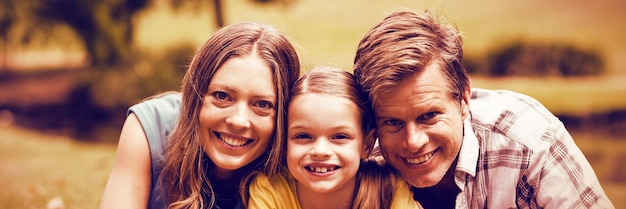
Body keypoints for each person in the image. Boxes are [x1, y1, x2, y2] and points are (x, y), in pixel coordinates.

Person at [352, 10, 615, 209]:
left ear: (464, 98)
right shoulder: (358, 161)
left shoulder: (529, 142)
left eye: (429, 116)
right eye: (392, 122)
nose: (413, 142)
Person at [100, 22, 300, 209]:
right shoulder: (151, 128)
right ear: (195, 96)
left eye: (262, 104)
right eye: (222, 96)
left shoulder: (299, 158)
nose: (238, 120)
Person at [246, 66, 421, 209]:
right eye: (303, 136)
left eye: (339, 137)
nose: (320, 151)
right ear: (284, 144)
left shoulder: (388, 189)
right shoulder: (270, 189)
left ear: (366, 145)